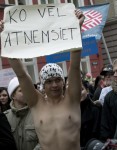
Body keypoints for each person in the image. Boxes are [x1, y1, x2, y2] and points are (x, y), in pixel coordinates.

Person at [6, 10, 84, 150]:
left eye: (57, 80)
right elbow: (22, 74)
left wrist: (76, 30)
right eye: (48, 81)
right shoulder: (36, 103)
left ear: (63, 81)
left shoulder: (72, 99)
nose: (54, 85)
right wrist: (5, 39)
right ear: (42, 84)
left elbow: (74, 66)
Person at [4, 77, 39, 150]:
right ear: (13, 96)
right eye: (21, 90)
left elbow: (45, 140)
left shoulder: (37, 114)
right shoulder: (5, 117)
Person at [80, 80, 101, 148]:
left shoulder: (95, 110)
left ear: (87, 90)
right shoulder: (69, 112)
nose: (78, 93)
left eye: (81, 89)